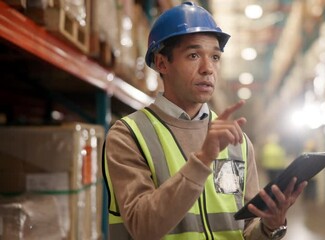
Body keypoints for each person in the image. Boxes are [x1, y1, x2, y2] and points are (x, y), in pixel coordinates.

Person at [102, 2, 306, 240]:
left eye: (216, 57)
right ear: (162, 63)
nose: (208, 68)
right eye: (193, 55)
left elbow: (248, 230)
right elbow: (143, 227)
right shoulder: (128, 136)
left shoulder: (238, 141)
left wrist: (270, 226)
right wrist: (203, 159)